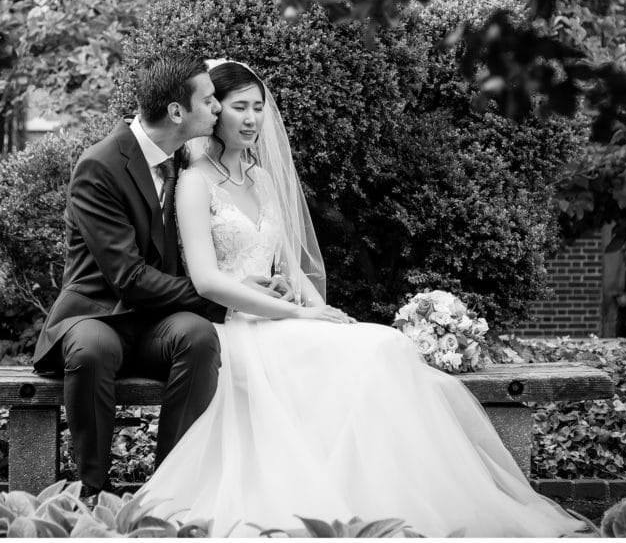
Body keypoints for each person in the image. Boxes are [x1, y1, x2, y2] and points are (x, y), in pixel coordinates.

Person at [131, 59, 587, 537]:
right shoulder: (194, 182)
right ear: (215, 111)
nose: (251, 119)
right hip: (239, 329)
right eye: (239, 107)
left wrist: (316, 310)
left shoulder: (262, 179)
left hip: (287, 321)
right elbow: (206, 281)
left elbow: (289, 263)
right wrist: (294, 312)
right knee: (373, 352)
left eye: (259, 108)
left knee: (384, 345)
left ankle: (392, 501)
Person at [32, 54, 291, 503]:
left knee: (197, 336)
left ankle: (169, 490)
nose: (217, 110)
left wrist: (245, 286)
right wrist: (225, 300)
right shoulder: (100, 166)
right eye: (209, 101)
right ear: (177, 112)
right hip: (100, 312)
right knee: (94, 349)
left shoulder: (179, 161)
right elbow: (127, 277)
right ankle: (92, 491)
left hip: (156, 321)